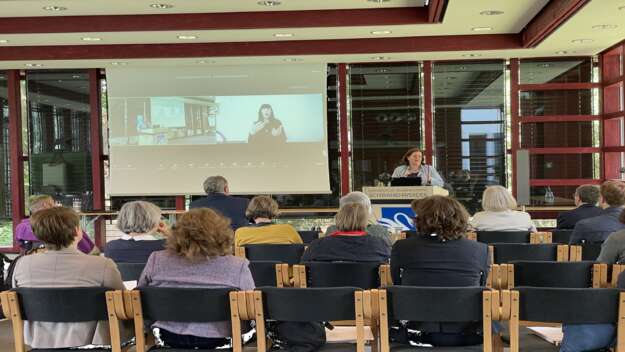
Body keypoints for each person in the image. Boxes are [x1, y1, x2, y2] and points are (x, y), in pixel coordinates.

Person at [12, 207, 128, 349]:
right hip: (90, 343)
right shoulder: (102, 264)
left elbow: (16, 302)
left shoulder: (22, 264)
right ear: (77, 232)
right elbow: (124, 304)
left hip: (38, 342)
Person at [138, 208, 255, 349]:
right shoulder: (238, 265)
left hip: (168, 335)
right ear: (222, 233)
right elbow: (252, 307)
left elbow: (139, 298)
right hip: (220, 337)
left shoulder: (156, 259)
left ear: (178, 233)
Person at [390, 196, 489, 347]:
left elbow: (398, 283)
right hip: (465, 330)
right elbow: (481, 286)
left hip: (416, 329)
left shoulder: (402, 247)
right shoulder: (481, 249)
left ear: (422, 219)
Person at [301, 203, 390, 262]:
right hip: (369, 290)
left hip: (326, 290)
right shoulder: (379, 245)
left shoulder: (317, 246)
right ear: (365, 221)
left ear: (339, 219)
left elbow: (303, 271)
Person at [15, 194, 97, 254]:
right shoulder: (63, 225)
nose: (56, 206)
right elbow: (89, 249)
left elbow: (22, 245)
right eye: (53, 203)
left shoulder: (22, 227)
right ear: (46, 205)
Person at [324, 191, 392, 247]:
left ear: (341, 211)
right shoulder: (379, 231)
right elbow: (389, 255)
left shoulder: (331, 231)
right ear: (368, 211)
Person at [234, 195, 302, 247]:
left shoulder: (240, 232)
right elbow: (301, 251)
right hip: (283, 265)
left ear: (250, 210)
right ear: (274, 210)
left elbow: (236, 256)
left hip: (250, 266)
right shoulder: (288, 229)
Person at [470, 185, 537, 232]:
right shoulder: (524, 216)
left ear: (486, 200)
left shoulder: (479, 217)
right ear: (509, 198)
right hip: (520, 252)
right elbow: (536, 237)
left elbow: (470, 238)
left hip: (487, 252)